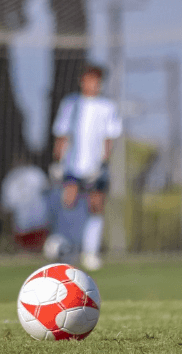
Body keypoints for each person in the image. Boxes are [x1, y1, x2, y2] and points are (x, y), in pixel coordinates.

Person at [52, 64, 123, 271]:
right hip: (73, 165)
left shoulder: (107, 107)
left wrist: (103, 163)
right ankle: (68, 248)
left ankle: (91, 252)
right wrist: (57, 162)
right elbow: (62, 134)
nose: (93, 84)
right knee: (69, 202)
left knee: (96, 206)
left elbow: (109, 138)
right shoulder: (71, 104)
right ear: (82, 81)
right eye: (89, 79)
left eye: (97, 81)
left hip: (95, 166)